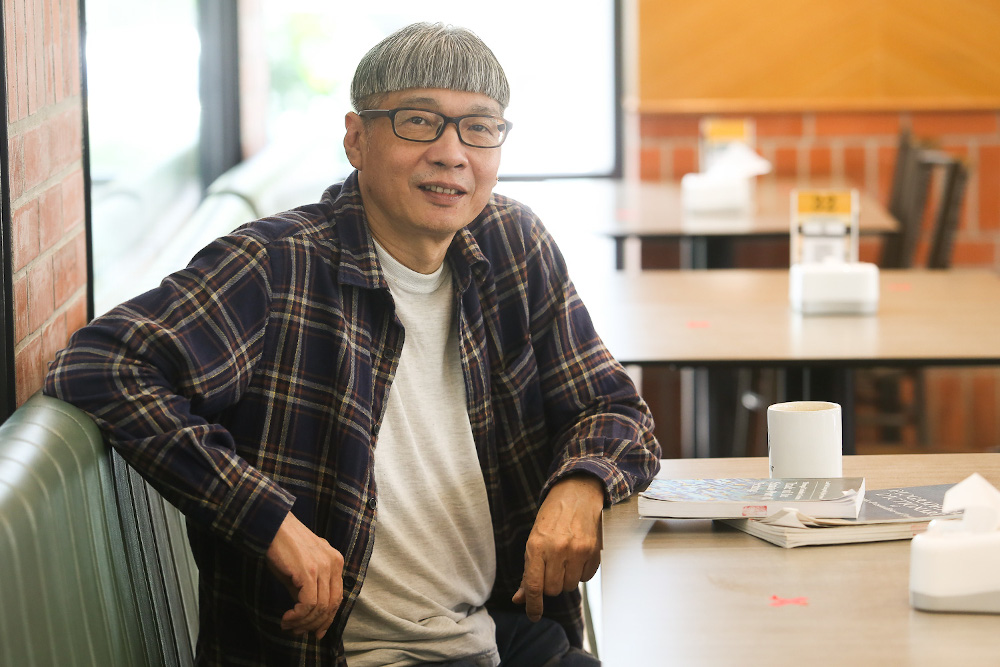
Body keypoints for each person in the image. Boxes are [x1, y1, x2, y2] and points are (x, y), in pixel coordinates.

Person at [45, 22, 660, 666]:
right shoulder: (276, 265)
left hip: (497, 634)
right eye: (419, 121)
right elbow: (101, 364)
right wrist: (266, 519)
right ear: (356, 139)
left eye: (479, 127)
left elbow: (614, 409)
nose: (452, 153)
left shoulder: (512, 246)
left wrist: (581, 486)